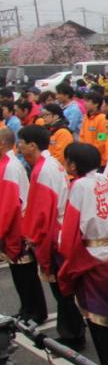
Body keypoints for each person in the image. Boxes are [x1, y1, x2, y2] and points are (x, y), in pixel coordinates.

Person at [57, 143, 108, 365]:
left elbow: (71, 227)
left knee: (97, 313)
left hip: (91, 252)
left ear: (74, 164)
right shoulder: (103, 179)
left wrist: (67, 257)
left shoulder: (79, 186)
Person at [19, 125, 84, 349]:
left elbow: (44, 211)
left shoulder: (44, 169)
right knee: (63, 289)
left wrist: (36, 237)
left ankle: (73, 334)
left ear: (32, 145)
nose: (19, 147)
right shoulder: (49, 164)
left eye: (21, 143)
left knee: (61, 288)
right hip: (58, 228)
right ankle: (72, 330)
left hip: (54, 233)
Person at [0, 128, 47, 325]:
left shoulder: (10, 166)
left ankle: (36, 311)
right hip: (13, 224)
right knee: (18, 272)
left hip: (17, 226)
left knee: (25, 272)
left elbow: (9, 205)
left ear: (3, 143)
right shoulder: (6, 163)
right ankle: (26, 308)